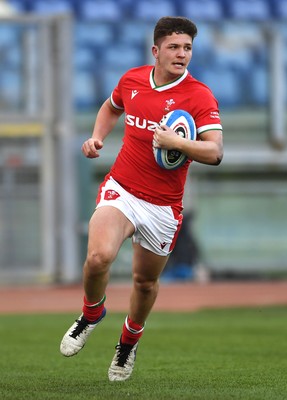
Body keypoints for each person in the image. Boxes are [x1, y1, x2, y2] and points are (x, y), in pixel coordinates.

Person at [60, 16, 223, 382]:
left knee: (145, 283)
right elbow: (111, 106)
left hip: (164, 205)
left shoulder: (199, 96)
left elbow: (214, 153)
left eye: (187, 48)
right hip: (123, 188)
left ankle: (129, 341)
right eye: (174, 47)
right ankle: (91, 313)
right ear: (156, 51)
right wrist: (97, 137)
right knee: (99, 256)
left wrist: (177, 143)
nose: (182, 55)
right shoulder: (133, 80)